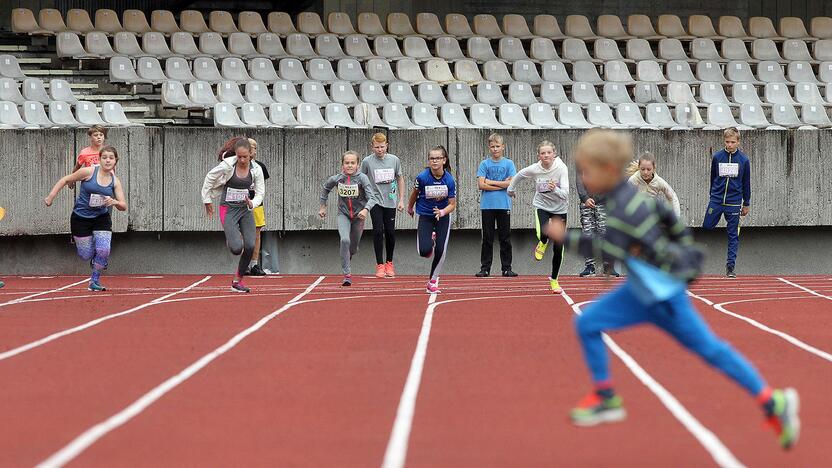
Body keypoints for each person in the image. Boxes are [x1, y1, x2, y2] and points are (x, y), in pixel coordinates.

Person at [544, 129, 799, 450]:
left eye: (587, 171)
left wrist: (564, 237)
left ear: (608, 170)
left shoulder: (627, 205)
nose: (583, 178)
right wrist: (680, 242)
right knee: (587, 323)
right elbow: (661, 219)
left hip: (664, 299)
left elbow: (610, 249)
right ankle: (606, 395)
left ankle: (772, 401)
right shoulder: (624, 197)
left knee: (712, 351)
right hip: (639, 292)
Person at [44, 146, 127, 291]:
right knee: (85, 255)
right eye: (104, 157)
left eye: (111, 158)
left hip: (101, 217)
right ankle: (96, 254)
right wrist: (51, 197)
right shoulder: (89, 172)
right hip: (81, 218)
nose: (108, 160)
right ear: (99, 159)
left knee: (104, 250)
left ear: (115, 161)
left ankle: (94, 281)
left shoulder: (115, 181)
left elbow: (123, 205)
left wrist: (115, 202)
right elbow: (65, 179)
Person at [201, 138, 265, 293]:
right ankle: (232, 238)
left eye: (245, 157)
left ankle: (237, 281)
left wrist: (253, 203)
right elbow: (210, 177)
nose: (242, 160)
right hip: (228, 209)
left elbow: (260, 191)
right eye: (239, 156)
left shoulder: (256, 169)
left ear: (251, 155)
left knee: (250, 246)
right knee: (237, 248)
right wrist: (207, 200)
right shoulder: (228, 165)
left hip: (245, 210)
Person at [507, 140, 569, 293]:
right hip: (542, 206)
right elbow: (520, 174)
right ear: (539, 156)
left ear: (554, 154)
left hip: (560, 209)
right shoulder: (535, 169)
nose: (546, 155)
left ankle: (554, 280)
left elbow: (565, 195)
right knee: (543, 233)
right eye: (543, 153)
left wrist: (554, 189)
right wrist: (510, 189)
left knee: (559, 246)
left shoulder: (561, 168)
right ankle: (542, 242)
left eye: (549, 152)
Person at [319, 151, 378, 286]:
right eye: (347, 163)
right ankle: (347, 275)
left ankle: (350, 252)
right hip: (343, 214)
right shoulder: (337, 179)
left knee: (352, 248)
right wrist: (323, 207)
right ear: (342, 164)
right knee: (344, 240)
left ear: (358, 165)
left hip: (359, 216)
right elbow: (325, 189)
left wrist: (365, 209)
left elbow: (372, 197)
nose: (350, 166)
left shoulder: (362, 178)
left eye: (353, 163)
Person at [407, 146, 457, 294]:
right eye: (432, 158)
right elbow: (414, 194)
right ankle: (431, 239)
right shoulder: (422, 177)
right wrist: (410, 208)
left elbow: (452, 204)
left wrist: (442, 212)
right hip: (426, 216)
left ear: (444, 160)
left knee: (441, 250)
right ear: (428, 161)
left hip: (442, 217)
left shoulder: (449, 180)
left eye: (438, 158)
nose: (434, 161)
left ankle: (433, 280)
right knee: (424, 251)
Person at [702, 127, 751, 278]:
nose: (729, 145)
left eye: (732, 142)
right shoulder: (717, 157)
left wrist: (746, 203)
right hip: (717, 200)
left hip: (734, 203)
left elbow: (746, 182)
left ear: (738, 142)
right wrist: (713, 194)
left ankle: (730, 267)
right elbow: (713, 177)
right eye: (727, 142)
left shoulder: (744, 160)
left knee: (733, 235)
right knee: (707, 226)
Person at [360, 133, 405, 278]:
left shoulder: (394, 160)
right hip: (374, 201)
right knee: (378, 231)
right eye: (377, 147)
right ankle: (379, 265)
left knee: (390, 232)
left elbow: (400, 178)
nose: (380, 150)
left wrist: (401, 199)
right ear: (372, 147)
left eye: (382, 147)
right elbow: (361, 179)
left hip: (391, 200)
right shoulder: (367, 161)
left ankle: (389, 263)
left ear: (387, 145)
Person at [476, 133, 517, 278]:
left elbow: (511, 183)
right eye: (492, 146)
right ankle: (485, 268)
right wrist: (502, 185)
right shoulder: (484, 164)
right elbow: (481, 185)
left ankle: (506, 268)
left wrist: (490, 182)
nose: (495, 149)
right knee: (487, 238)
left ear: (503, 147)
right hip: (487, 206)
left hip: (504, 205)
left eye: (497, 146)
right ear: (489, 148)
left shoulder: (509, 164)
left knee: (505, 238)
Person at [576, 165, 619, 277]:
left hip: (604, 203)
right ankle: (590, 266)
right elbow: (580, 182)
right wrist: (585, 198)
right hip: (586, 204)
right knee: (588, 234)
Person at [627, 152, 681, 217]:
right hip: (637, 213)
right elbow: (625, 197)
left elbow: (673, 198)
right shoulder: (633, 180)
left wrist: (676, 217)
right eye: (643, 169)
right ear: (639, 167)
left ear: (654, 168)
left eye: (649, 169)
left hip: (652, 215)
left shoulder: (659, 181)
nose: (645, 172)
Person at [247, 138, 270, 276]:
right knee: (243, 234)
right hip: (241, 202)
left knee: (256, 233)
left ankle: (254, 264)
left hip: (256, 203)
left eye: (254, 148)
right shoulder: (235, 165)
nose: (252, 150)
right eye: (249, 147)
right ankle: (244, 264)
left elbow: (260, 187)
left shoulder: (260, 167)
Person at [68, 125, 108, 189]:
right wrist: (71, 180)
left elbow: (112, 169)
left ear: (104, 137)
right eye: (96, 135)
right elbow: (77, 167)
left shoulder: (108, 151)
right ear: (90, 137)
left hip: (105, 184)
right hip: (89, 184)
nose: (99, 137)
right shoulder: (85, 153)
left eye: (101, 135)